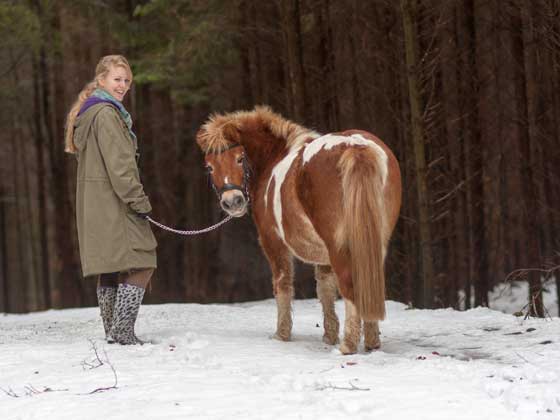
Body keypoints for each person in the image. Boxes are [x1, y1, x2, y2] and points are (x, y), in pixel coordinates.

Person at [65, 55, 157, 345]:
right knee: (143, 259)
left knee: (109, 263)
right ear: (101, 80)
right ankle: (122, 330)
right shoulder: (106, 114)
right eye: (117, 79)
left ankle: (111, 331)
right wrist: (138, 201)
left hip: (97, 202)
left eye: (127, 80)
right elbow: (120, 165)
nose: (123, 85)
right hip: (115, 201)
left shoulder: (91, 112)